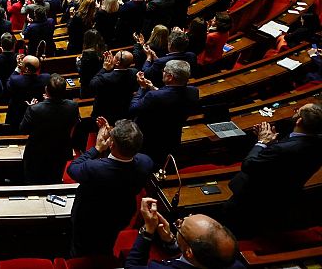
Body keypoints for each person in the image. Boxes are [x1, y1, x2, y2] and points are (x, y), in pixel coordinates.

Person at [224, 103, 322, 236]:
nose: (294, 112)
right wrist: (273, 144)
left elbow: (249, 165)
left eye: (297, 111)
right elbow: (285, 162)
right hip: (284, 197)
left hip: (254, 199)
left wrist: (262, 142)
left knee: (234, 227)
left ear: (299, 120)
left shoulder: (282, 149)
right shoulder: (316, 143)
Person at [67, 118, 153, 257]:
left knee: (81, 249)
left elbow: (72, 168)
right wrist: (114, 136)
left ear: (111, 144)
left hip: (89, 218)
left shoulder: (95, 168)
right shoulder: (146, 163)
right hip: (121, 214)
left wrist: (97, 148)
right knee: (107, 243)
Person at [126, 197, 245, 269]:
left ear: (189, 252)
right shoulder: (235, 264)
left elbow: (132, 266)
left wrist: (148, 230)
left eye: (180, 226)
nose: (180, 220)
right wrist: (171, 242)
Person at [130, 60, 199, 167]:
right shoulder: (194, 92)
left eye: (164, 71)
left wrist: (142, 88)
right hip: (173, 135)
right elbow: (171, 96)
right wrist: (153, 88)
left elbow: (133, 109)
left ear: (170, 77)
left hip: (150, 139)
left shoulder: (153, 96)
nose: (162, 72)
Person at [20, 74, 79, 184]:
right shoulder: (73, 106)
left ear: (46, 89)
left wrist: (32, 107)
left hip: (37, 152)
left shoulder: (35, 109)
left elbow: (23, 129)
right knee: (54, 179)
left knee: (33, 182)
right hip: (60, 150)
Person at [90, 50, 138, 124]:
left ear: (118, 62)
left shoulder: (105, 78)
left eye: (114, 56)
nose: (112, 57)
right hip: (124, 113)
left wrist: (104, 69)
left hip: (105, 115)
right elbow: (117, 73)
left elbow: (92, 84)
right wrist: (113, 67)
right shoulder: (134, 72)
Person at [6, 55, 50, 129]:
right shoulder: (46, 78)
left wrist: (18, 68)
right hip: (38, 114)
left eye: (22, 63)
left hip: (17, 115)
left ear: (26, 69)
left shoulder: (15, 80)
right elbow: (43, 74)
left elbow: (8, 83)